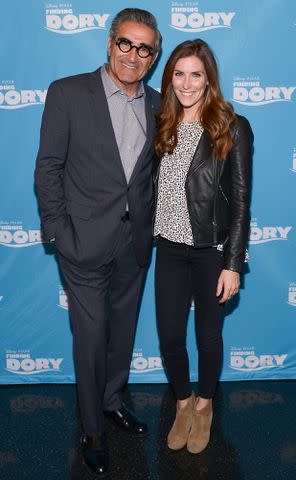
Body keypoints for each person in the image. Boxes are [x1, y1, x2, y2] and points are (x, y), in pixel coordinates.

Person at [35, 8, 161, 476]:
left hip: (134, 243)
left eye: (144, 48)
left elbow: (154, 176)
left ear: (152, 56)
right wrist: (57, 231)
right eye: (126, 43)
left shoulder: (158, 103)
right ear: (110, 43)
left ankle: (112, 400)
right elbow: (48, 167)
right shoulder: (67, 92)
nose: (133, 55)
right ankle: (91, 428)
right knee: (90, 338)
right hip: (82, 241)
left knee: (121, 332)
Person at [153, 39, 253, 454]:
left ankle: (205, 404)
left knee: (208, 337)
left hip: (211, 250)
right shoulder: (162, 121)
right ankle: (182, 404)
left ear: (209, 79)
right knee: (170, 335)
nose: (187, 83)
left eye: (196, 74)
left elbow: (242, 200)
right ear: (170, 77)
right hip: (169, 248)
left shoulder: (232, 126)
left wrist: (233, 262)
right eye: (179, 73)